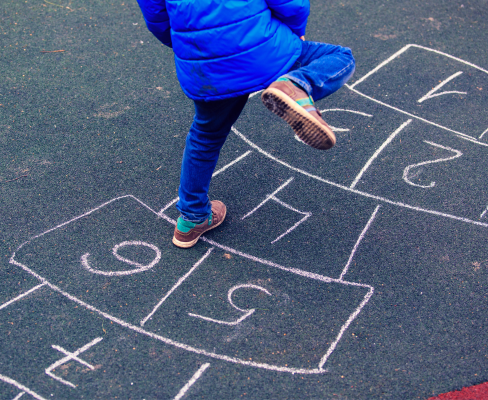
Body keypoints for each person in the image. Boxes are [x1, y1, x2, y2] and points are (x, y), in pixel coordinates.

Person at [136, 0, 355, 248]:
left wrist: (192, 46)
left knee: (206, 135)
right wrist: (296, 28)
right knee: (340, 57)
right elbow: (290, 3)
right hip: (260, 50)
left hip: (203, 64)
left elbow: (156, 18)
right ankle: (296, 84)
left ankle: (192, 218)